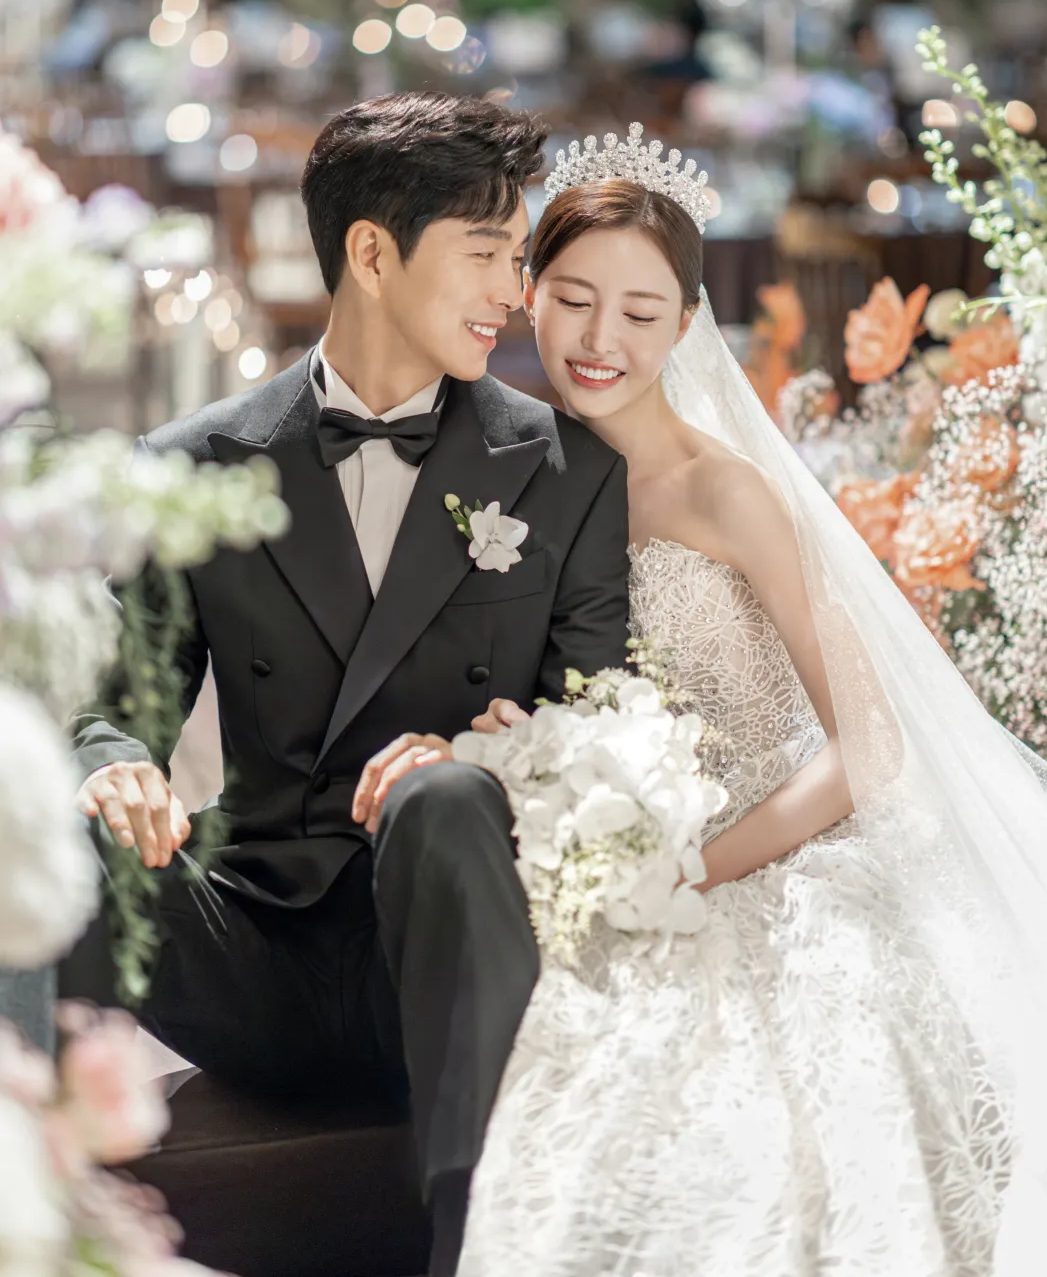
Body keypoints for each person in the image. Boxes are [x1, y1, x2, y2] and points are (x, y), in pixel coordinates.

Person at [459, 125, 1047, 1276]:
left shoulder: (725, 491)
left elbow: (869, 745)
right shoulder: (510, 481)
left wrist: (698, 868)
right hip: (614, 850)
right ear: (528, 295)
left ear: (688, 325)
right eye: (574, 301)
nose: (599, 340)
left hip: (788, 846)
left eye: (641, 313)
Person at [61, 93, 631, 1277]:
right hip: (247, 952)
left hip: (436, 961)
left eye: (518, 257)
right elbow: (113, 697)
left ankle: (477, 1246)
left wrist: (482, 757)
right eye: (487, 253)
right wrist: (113, 767)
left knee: (447, 797)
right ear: (371, 254)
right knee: (45, 823)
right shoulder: (195, 464)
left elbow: (604, 727)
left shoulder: (566, 469)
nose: (515, 290)